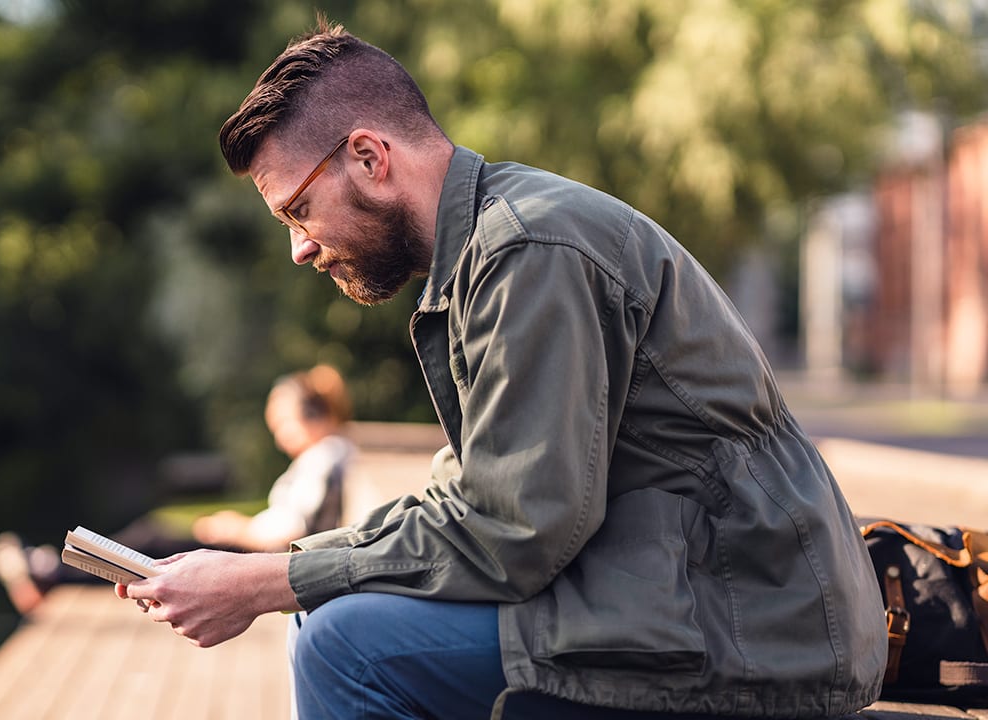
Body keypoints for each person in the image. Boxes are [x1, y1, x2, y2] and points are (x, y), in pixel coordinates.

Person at [115, 19, 887, 720]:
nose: (300, 249)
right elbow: (471, 500)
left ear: (368, 158)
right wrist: (286, 568)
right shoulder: (489, 251)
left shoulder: (527, 251)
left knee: (344, 644)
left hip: (755, 626)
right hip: (697, 600)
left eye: (298, 212)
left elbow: (515, 530)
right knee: (333, 616)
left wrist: (262, 584)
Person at [0, 364, 356, 615]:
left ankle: (53, 572)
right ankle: (53, 569)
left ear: (312, 417)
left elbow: (294, 529)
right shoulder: (325, 454)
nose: (278, 436)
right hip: (257, 554)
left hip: (258, 560)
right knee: (151, 541)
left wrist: (236, 528)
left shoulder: (326, 455)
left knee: (152, 544)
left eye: (282, 424)